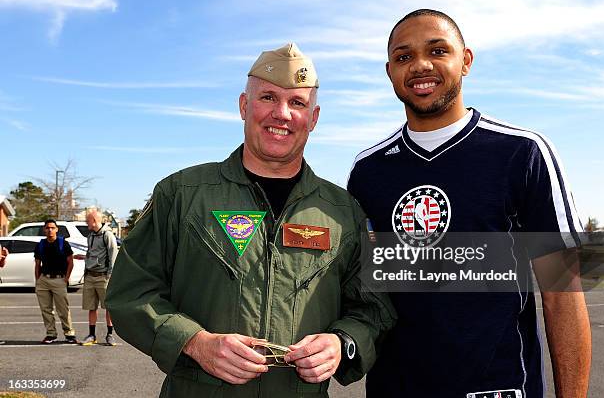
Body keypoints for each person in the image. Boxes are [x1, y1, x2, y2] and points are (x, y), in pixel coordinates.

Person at [106, 43, 395, 397]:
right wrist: (196, 342)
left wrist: (341, 342)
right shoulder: (182, 194)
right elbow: (130, 294)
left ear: (314, 118)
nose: (282, 114)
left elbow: (373, 309)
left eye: (297, 103)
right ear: (245, 106)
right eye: (269, 98)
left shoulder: (343, 211)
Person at [348, 9, 591, 398]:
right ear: (390, 71)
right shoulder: (368, 170)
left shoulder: (522, 153)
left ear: (466, 61)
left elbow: (563, 296)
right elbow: (363, 290)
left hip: (497, 389)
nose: (420, 66)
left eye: (438, 50)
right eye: (403, 56)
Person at [76, 210, 118, 346]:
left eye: (87, 220)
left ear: (94, 220)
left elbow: (113, 256)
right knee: (91, 307)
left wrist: (110, 276)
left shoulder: (108, 235)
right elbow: (92, 253)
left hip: (103, 277)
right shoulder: (91, 236)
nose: (86, 223)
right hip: (90, 276)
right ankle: (92, 335)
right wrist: (85, 259)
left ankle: (110, 335)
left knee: (108, 307)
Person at [34, 219, 78, 344]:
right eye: (47, 228)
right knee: (46, 310)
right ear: (44, 230)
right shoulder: (40, 245)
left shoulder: (63, 244)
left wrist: (66, 278)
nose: (50, 230)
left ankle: (69, 334)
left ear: (57, 229)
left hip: (59, 279)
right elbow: (37, 264)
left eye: (52, 228)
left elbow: (70, 261)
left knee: (63, 309)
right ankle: (51, 334)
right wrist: (38, 280)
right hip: (44, 280)